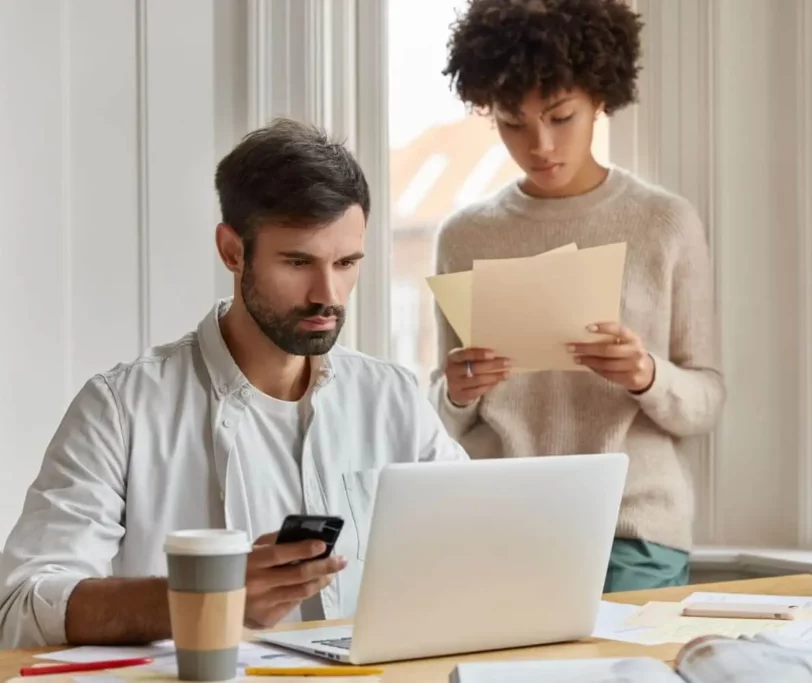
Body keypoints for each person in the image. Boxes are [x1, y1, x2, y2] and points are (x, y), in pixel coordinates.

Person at [0, 118, 468, 648]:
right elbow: (21, 606)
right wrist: (206, 598)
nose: (329, 294)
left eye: (347, 263)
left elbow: (479, 542)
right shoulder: (120, 408)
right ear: (232, 251)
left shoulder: (393, 398)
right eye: (298, 262)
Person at [431, 0, 725, 593]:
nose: (539, 144)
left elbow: (706, 399)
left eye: (561, 116)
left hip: (633, 530)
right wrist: (456, 392)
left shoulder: (664, 223)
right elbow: (442, 416)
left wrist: (645, 374)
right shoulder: (465, 236)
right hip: (498, 524)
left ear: (599, 99)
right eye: (513, 122)